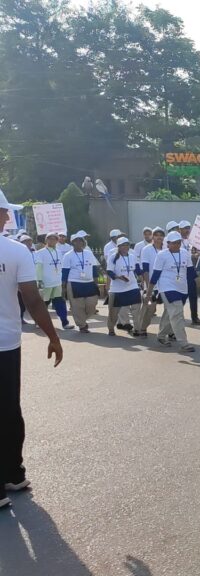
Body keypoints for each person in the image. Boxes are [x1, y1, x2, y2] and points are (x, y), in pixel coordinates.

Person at [0, 189, 62, 510]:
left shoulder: (17, 249)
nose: (9, 217)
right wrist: (53, 336)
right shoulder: (16, 251)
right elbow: (33, 300)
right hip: (7, 343)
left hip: (8, 341)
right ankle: (13, 472)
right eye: (5, 211)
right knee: (9, 408)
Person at [149, 231, 194, 352]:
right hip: (167, 287)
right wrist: (149, 292)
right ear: (167, 243)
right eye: (173, 243)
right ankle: (184, 342)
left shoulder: (185, 253)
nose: (176, 245)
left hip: (182, 288)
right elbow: (155, 275)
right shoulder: (162, 255)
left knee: (171, 313)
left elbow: (190, 272)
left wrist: (196, 282)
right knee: (177, 314)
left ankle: (161, 335)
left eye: (178, 242)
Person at [61, 231, 100, 333]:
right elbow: (65, 272)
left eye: (80, 241)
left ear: (83, 243)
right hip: (74, 283)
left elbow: (94, 268)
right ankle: (82, 325)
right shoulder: (68, 255)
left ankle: (82, 319)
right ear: (72, 243)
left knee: (92, 305)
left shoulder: (89, 253)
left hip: (89, 283)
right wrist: (63, 287)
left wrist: (96, 283)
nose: (78, 243)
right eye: (76, 241)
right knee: (77, 307)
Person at [105, 237, 144, 337]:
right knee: (113, 312)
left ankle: (137, 329)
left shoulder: (132, 256)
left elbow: (137, 269)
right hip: (117, 289)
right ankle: (111, 328)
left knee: (136, 309)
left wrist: (141, 278)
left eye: (127, 244)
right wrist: (119, 277)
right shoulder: (113, 257)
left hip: (132, 286)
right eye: (123, 245)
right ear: (118, 247)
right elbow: (109, 272)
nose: (126, 247)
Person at [35, 232, 70, 329]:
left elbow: (61, 266)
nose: (52, 240)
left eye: (54, 239)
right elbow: (39, 267)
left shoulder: (58, 252)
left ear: (57, 241)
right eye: (50, 239)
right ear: (46, 240)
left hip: (57, 282)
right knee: (44, 304)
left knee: (60, 303)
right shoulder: (40, 252)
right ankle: (39, 322)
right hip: (46, 283)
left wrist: (62, 280)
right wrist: (39, 280)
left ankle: (65, 322)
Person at [138, 227, 166, 336]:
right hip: (151, 285)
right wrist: (149, 286)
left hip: (166, 285)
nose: (159, 237)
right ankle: (142, 327)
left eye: (161, 235)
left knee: (170, 310)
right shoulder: (147, 249)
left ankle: (169, 331)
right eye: (156, 235)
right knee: (149, 308)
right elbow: (145, 269)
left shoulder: (167, 249)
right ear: (152, 237)